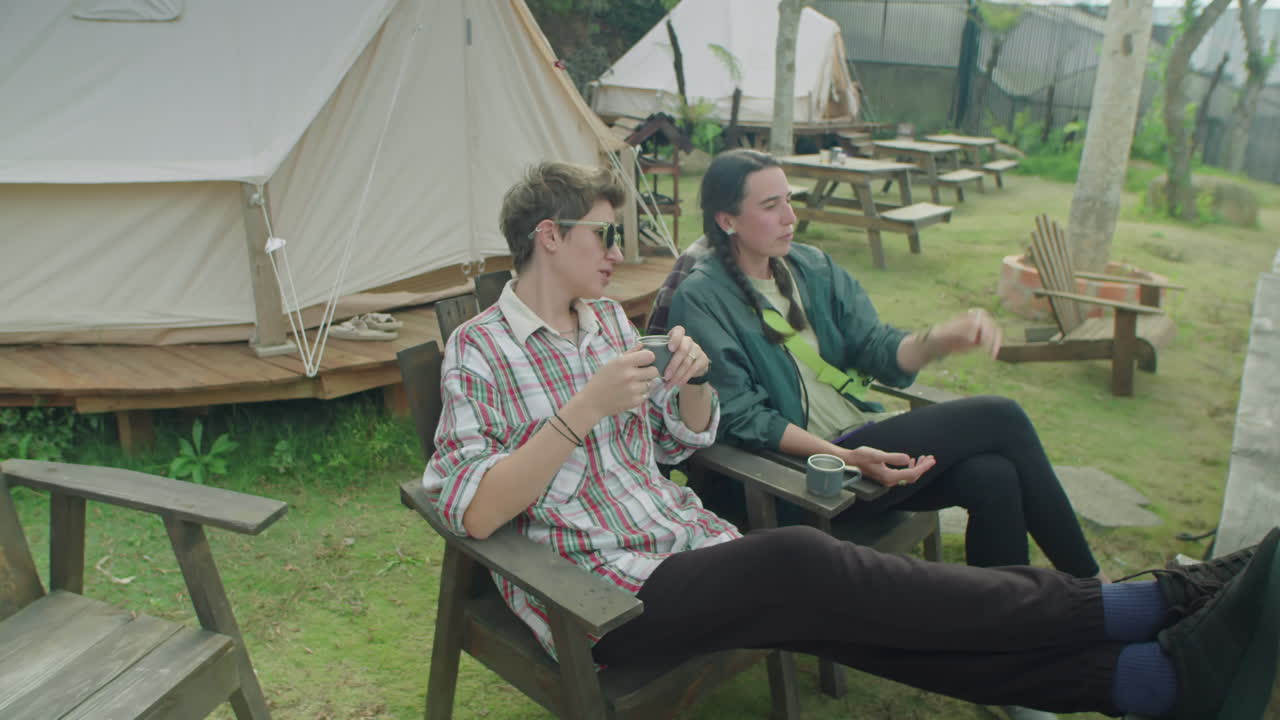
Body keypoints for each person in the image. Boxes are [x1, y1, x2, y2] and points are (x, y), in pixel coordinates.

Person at [422, 160, 1280, 719]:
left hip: (688, 546)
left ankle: (1155, 680)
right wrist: (580, 410)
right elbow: (476, 509)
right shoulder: (479, 351)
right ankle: (1151, 602)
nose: (617, 252)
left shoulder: (610, 321)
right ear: (548, 238)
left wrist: (686, 392)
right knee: (805, 561)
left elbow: (683, 445)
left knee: (863, 622)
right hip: (607, 595)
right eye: (603, 234)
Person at [666, 148, 1107, 587]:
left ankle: (1008, 628)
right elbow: (741, 416)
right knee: (1001, 415)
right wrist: (844, 457)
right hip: (800, 476)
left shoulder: (811, 267)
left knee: (993, 476)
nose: (790, 216)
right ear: (728, 221)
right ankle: (1092, 589)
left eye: (789, 199)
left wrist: (943, 339)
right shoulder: (703, 297)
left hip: (863, 446)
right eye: (771, 205)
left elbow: (876, 349)